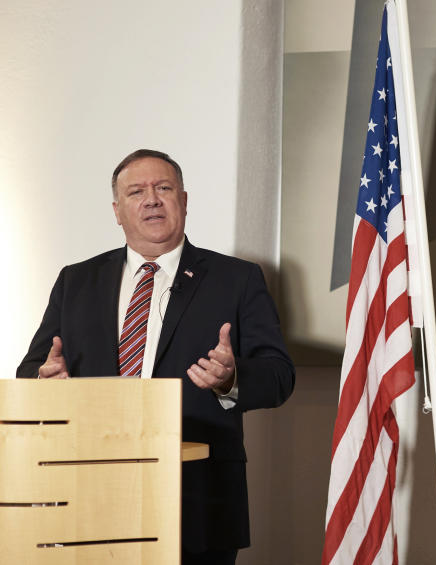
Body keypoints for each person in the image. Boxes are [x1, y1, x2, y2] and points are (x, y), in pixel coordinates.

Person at [17, 149, 295, 564]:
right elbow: (32, 371)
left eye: (163, 188)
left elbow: (278, 376)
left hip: (198, 499)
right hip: (92, 496)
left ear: (183, 201)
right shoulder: (76, 280)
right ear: (117, 210)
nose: (151, 199)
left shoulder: (236, 279)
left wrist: (230, 379)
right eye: (136, 191)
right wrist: (46, 385)